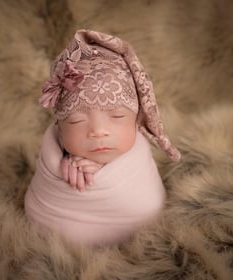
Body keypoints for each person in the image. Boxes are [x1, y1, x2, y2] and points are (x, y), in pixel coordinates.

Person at [24, 29, 180, 246]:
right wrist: (64, 163)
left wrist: (100, 172)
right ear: (60, 127)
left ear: (136, 120)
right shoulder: (56, 152)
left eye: (117, 115)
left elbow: (146, 202)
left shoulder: (138, 161)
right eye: (77, 121)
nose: (98, 131)